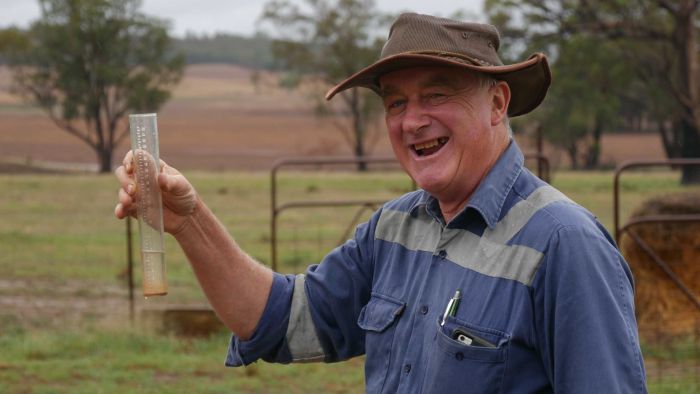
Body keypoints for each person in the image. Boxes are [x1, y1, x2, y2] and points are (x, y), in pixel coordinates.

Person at [115, 12, 647, 393]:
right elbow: (278, 321)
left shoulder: (563, 244)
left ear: (497, 103)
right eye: (396, 102)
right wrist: (188, 221)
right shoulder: (394, 229)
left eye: (437, 95)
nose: (412, 120)